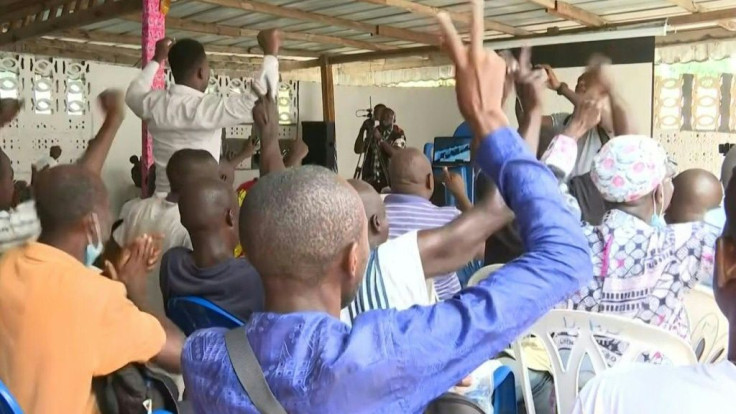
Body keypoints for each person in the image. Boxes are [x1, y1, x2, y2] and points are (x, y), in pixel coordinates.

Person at [181, 3, 592, 411]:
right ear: (354, 259)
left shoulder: (202, 357)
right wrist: (489, 116)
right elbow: (565, 258)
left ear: (248, 252)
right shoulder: (387, 354)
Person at [0, 164, 184, 413]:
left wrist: (113, 283)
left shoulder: (6, 264)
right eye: (107, 210)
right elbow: (182, 355)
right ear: (91, 223)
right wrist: (137, 290)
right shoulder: (95, 296)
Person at [571, 170, 736, 414]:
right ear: (658, 193)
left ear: (725, 263)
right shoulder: (688, 245)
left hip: (570, 376)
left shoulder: (608, 396)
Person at [543, 128, 720, 340]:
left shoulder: (571, 241)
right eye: (669, 178)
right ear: (658, 192)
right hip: (656, 372)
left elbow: (544, 189)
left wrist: (569, 135)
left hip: (575, 370)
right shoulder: (684, 246)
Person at [125, 31, 281, 193]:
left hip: (162, 204)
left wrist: (157, 59)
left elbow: (132, 94)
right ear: (201, 72)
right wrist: (271, 52)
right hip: (200, 208)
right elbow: (261, 100)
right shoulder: (207, 108)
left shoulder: (155, 103)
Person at [344, 176, 508, 323]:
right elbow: (485, 237)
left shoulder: (328, 279)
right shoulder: (392, 260)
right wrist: (461, 194)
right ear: (377, 223)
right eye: (386, 215)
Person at [1, 90, 124, 255]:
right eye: (10, 177)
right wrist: (113, 121)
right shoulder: (8, 230)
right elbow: (80, 186)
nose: (14, 183)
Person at [110, 149, 220, 314]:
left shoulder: (135, 209)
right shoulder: (192, 222)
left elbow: (115, 256)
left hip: (133, 315)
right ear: (200, 184)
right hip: (169, 325)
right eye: (215, 181)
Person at [160, 177, 263, 321]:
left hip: (187, 342)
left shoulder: (172, 264)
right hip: (236, 344)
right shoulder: (254, 276)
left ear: (183, 220)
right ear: (230, 217)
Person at [383, 147, 475, 300]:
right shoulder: (449, 218)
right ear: (429, 181)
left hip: (392, 305)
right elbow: (484, 248)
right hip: (443, 309)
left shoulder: (374, 219)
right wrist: (461, 195)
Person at [536, 60, 633, 177]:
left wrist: (560, 87)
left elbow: (592, 110)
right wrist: (527, 88)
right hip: (564, 190)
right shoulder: (564, 119)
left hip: (589, 194)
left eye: (587, 83)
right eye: (579, 83)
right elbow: (527, 120)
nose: (581, 84)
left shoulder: (606, 121)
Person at [357, 106, 407, 192]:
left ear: (394, 120)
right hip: (370, 180)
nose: (385, 118)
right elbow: (358, 150)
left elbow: (395, 154)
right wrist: (362, 130)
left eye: (388, 116)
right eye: (383, 116)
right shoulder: (374, 131)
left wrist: (380, 139)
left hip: (388, 181)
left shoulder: (398, 134)